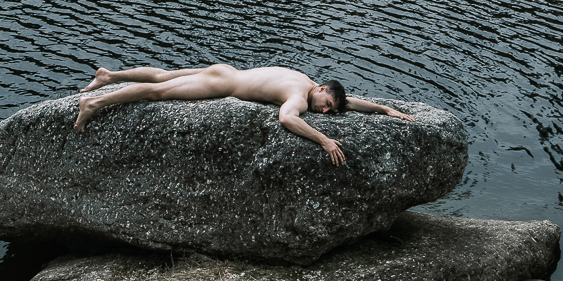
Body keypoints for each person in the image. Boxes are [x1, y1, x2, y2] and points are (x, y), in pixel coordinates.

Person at [73, 64, 414, 166]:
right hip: (221, 84)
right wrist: (324, 140)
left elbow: (349, 103)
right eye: (326, 104)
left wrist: (384, 109)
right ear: (323, 88)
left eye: (329, 112)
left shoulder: (306, 82)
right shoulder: (298, 96)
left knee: (163, 76)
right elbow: (287, 119)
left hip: (226, 71)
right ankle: (95, 103)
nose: (324, 111)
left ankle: (109, 76)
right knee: (157, 92)